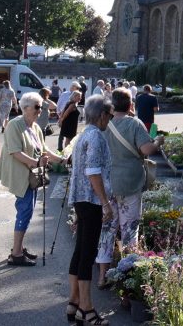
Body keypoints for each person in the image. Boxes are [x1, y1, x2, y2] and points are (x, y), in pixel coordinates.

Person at [96, 88, 163, 287]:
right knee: (129, 229)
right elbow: (146, 149)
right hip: (130, 183)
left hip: (108, 184)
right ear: (130, 104)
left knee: (107, 229)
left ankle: (102, 275)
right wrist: (158, 141)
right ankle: (128, 277)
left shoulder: (103, 124)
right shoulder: (134, 124)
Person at [0, 91, 64, 266]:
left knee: (26, 212)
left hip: (32, 177)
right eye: (37, 107)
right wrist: (36, 163)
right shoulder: (15, 125)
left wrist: (63, 159)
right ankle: (17, 253)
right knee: (25, 211)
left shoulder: (35, 127)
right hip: (21, 176)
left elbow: (44, 150)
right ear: (25, 108)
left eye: (41, 107)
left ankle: (18, 248)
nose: (40, 110)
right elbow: (15, 151)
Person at [66, 95, 114, 325]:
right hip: (91, 200)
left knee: (80, 252)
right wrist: (105, 202)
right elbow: (93, 171)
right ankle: (86, 308)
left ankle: (74, 302)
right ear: (102, 115)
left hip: (80, 199)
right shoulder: (96, 136)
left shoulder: (84, 134)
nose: (110, 120)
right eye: (110, 115)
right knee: (87, 255)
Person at [57, 87, 82, 152]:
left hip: (69, 124)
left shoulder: (69, 103)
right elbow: (65, 113)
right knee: (69, 140)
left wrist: (60, 120)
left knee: (68, 140)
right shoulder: (72, 105)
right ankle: (67, 154)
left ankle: (67, 154)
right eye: (78, 96)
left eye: (80, 96)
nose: (80, 98)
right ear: (74, 96)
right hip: (69, 125)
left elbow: (63, 111)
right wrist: (61, 121)